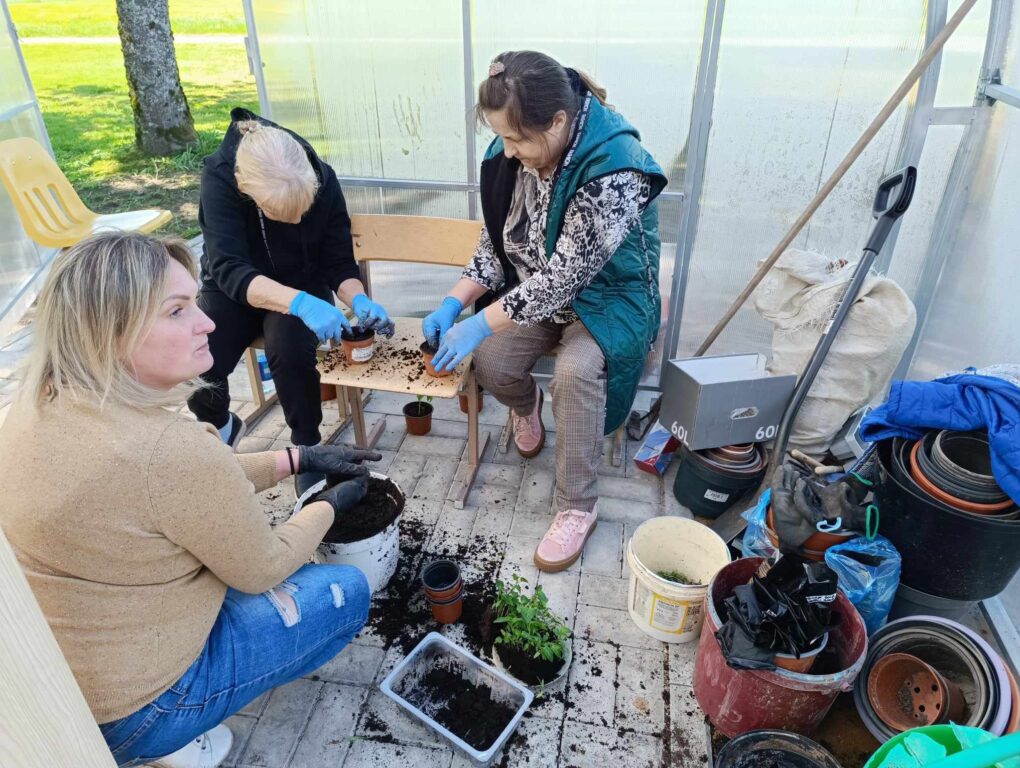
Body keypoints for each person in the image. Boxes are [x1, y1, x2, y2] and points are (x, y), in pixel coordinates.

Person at [0, 232, 380, 767]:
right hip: (143, 709)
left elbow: (187, 489)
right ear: (108, 334)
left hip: (66, 687)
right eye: (177, 311)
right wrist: (328, 506)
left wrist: (297, 460)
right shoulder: (167, 449)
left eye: (194, 303)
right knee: (345, 590)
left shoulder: (37, 402)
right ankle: (183, 735)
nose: (207, 323)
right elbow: (262, 568)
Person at [423, 51, 667, 573]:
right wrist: (455, 301)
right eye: (501, 139)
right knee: (491, 360)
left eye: (516, 140)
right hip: (537, 291)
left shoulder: (614, 166)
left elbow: (565, 279)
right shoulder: (516, 152)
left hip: (612, 297)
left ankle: (578, 506)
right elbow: (498, 244)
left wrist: (479, 321)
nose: (507, 153)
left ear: (558, 122)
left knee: (576, 373)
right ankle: (525, 406)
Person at [187, 107, 392, 497]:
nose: (296, 225)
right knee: (198, 361)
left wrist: (358, 297)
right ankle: (223, 424)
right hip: (235, 285)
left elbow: (337, 261)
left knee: (289, 348)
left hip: (302, 280)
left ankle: (307, 448)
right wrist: (297, 303)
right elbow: (228, 266)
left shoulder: (322, 177)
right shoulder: (219, 177)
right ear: (242, 186)